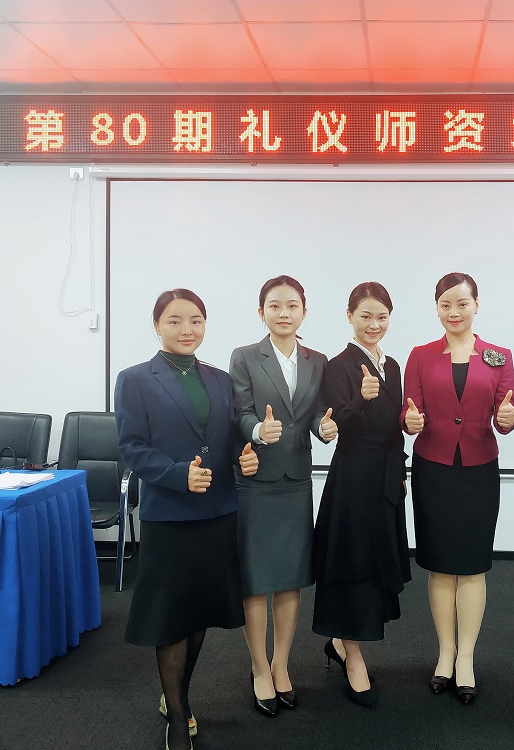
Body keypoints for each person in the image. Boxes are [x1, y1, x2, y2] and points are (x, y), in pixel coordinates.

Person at [114, 288, 259, 750]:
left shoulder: (219, 379)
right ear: (157, 325)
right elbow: (132, 447)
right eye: (175, 320)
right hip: (170, 515)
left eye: (195, 320)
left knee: (199, 614)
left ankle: (179, 693)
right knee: (171, 618)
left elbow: (229, 435)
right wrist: (178, 475)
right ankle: (177, 714)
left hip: (216, 512)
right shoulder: (135, 379)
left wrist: (243, 456)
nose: (186, 329)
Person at [401, 272, 514, 706]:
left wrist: (507, 419)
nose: (454, 312)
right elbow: (408, 412)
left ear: (476, 305)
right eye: (445, 304)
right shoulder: (420, 356)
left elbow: (506, 413)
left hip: (479, 469)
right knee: (439, 564)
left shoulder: (499, 356)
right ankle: (444, 652)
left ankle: (466, 656)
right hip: (433, 467)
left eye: (462, 303)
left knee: (470, 565)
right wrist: (410, 421)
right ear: (436, 308)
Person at [229, 275, 337, 718]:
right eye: (274, 306)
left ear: (304, 312)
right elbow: (239, 412)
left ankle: (280, 664)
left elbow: (314, 415)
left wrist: (324, 428)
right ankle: (258, 667)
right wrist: (258, 429)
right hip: (256, 481)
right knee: (256, 580)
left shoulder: (318, 361)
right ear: (262, 312)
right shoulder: (244, 357)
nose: (284, 313)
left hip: (295, 480)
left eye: (292, 305)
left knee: (290, 578)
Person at [312, 282, 411, 710]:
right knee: (350, 564)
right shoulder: (337, 366)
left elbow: (395, 426)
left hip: (385, 476)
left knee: (374, 566)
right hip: (353, 477)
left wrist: (402, 464)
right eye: (366, 316)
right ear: (349, 316)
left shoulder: (393, 364)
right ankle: (352, 656)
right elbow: (338, 425)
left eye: (382, 317)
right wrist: (361, 398)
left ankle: (341, 644)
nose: (374, 324)